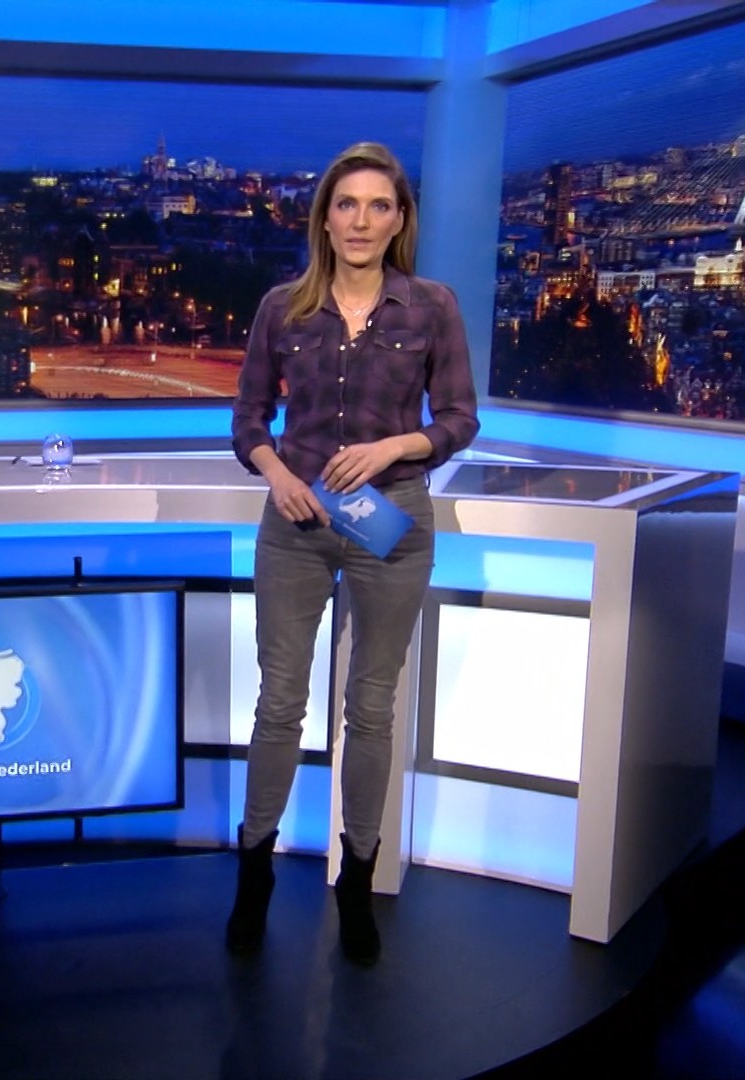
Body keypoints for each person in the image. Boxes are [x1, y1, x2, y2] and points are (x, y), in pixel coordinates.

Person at [225, 142, 479, 964]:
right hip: (296, 521)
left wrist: (396, 445)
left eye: (378, 205)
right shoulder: (283, 307)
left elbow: (461, 418)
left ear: (400, 219)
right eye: (347, 205)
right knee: (279, 702)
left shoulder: (432, 306)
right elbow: (248, 418)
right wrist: (276, 474)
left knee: (370, 707)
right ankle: (254, 874)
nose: (361, 220)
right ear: (325, 219)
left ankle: (358, 882)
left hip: (390, 515)